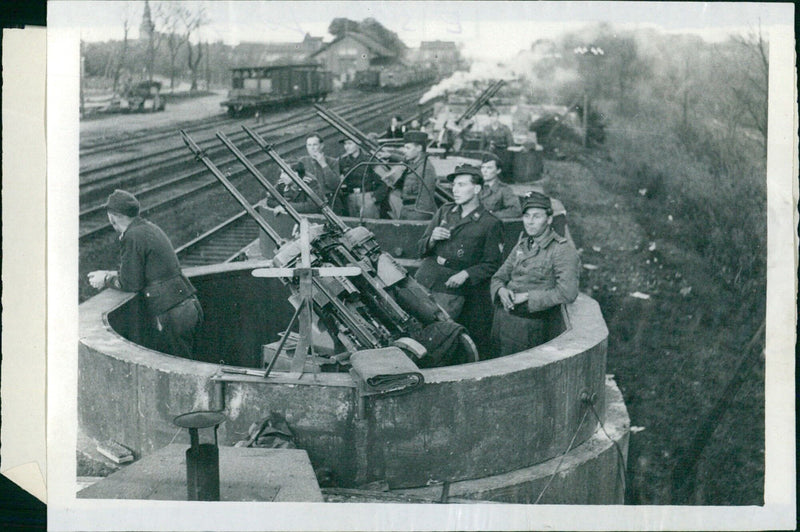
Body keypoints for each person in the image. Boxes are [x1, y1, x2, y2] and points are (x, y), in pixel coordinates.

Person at [87, 190, 203, 357]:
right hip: (188, 306)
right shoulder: (148, 228)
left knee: (179, 370)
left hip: (172, 314)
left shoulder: (132, 236)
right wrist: (110, 273)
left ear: (113, 216)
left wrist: (105, 279)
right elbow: (144, 271)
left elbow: (131, 283)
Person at [489, 192, 580, 358]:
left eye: (537, 216)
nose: (530, 222)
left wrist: (528, 297)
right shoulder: (522, 245)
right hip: (502, 321)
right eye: (527, 216)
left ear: (549, 219)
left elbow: (568, 293)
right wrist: (501, 291)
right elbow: (498, 277)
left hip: (530, 328)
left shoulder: (561, 250)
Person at [415, 164, 503, 329]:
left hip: (451, 290)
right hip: (425, 278)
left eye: (461, 185)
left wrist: (466, 274)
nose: (455, 190)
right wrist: (432, 239)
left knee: (437, 332)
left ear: (476, 189)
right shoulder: (445, 211)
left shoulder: (490, 223)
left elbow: (493, 264)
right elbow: (420, 248)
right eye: (454, 185)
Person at [386, 130, 438, 220]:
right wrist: (390, 156)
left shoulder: (426, 168)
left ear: (418, 148)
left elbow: (426, 200)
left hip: (417, 213)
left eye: (408, 148)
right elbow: (403, 159)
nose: (404, 151)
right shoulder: (414, 163)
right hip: (406, 210)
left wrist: (417, 219)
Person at [291, 133, 342, 214]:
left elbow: (334, 185)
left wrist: (323, 164)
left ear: (321, 146)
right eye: (309, 145)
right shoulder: (302, 161)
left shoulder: (332, 162)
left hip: (330, 202)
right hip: (310, 202)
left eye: (315, 145)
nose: (312, 148)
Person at [337, 138, 388, 218]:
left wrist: (374, 199)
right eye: (345, 144)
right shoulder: (342, 162)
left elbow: (384, 181)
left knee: (370, 226)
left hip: (367, 197)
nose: (347, 147)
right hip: (350, 198)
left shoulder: (370, 160)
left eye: (350, 143)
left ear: (357, 144)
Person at [480, 108, 515, 174]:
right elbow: (482, 144)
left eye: (494, 116)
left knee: (503, 170)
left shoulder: (505, 128)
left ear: (497, 117)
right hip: (490, 152)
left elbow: (510, 143)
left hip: (502, 152)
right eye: (490, 116)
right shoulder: (486, 129)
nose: (492, 118)